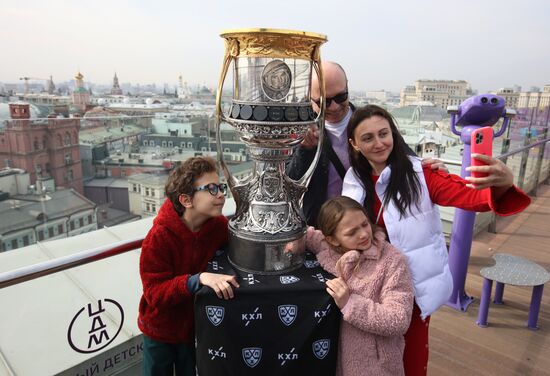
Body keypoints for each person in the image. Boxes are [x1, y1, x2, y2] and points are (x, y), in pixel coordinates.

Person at [342, 104, 531, 376]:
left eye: (384, 133)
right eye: (368, 137)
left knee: (413, 357)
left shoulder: (421, 174)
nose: (379, 143)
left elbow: (469, 197)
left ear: (394, 134)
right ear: (355, 144)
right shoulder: (353, 179)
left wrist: (501, 183)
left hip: (412, 288)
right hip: (368, 287)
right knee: (370, 355)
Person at [287, 61, 445, 227]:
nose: (333, 107)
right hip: (325, 230)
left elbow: (405, 159)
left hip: (370, 229)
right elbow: (290, 184)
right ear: (309, 98)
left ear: (348, 88)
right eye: (324, 101)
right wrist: (305, 150)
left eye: (341, 97)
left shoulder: (372, 121)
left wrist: (432, 170)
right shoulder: (300, 130)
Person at [138, 156, 240, 376]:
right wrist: (198, 279)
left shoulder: (217, 227)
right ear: (186, 200)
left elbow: (242, 246)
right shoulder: (158, 238)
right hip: (159, 331)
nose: (221, 194)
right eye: (211, 189)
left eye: (220, 187)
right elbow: (154, 294)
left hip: (193, 328)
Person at [302, 196, 414, 375]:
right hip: (337, 361)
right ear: (333, 240)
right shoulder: (329, 250)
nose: (363, 234)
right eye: (351, 232)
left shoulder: (392, 262)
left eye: (364, 224)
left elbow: (398, 319)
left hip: (376, 367)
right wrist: (295, 240)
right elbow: (307, 234)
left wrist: (350, 304)